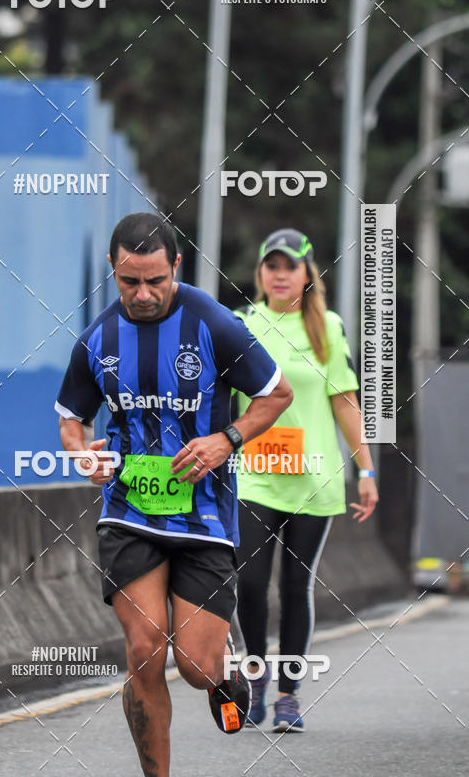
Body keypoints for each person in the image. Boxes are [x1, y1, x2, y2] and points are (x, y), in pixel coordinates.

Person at [55, 212, 293, 777]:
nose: (143, 293)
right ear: (113, 270)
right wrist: (82, 453)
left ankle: (224, 669)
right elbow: (70, 418)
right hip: (130, 510)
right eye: (129, 281)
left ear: (176, 267)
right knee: (144, 651)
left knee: (195, 666)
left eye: (155, 280)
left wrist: (225, 439)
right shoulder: (98, 339)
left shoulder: (215, 324)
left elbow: (275, 394)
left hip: (204, 515)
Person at [234, 228, 379, 732]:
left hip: (314, 480)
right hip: (255, 477)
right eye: (270, 265)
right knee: (250, 586)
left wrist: (366, 468)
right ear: (260, 274)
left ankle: (289, 697)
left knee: (296, 588)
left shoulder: (329, 329)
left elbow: (344, 402)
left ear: (306, 274)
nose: (279, 274)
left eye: (288, 266)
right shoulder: (242, 325)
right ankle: (255, 679)